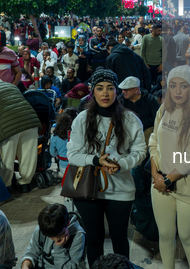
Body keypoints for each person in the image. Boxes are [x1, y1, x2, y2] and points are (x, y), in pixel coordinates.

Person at [66, 69, 146, 267]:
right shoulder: (82, 119)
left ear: (116, 92)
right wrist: (96, 160)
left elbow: (140, 151)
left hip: (121, 188)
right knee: (94, 238)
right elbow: (72, 155)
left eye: (110, 88)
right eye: (100, 88)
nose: (105, 93)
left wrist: (121, 164)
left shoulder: (130, 119)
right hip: (87, 188)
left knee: (120, 238)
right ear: (93, 91)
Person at [149, 65, 190, 269]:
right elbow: (154, 142)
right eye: (173, 86)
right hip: (160, 183)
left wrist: (167, 180)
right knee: (166, 235)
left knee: (187, 237)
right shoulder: (163, 109)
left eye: (183, 86)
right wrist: (155, 175)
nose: (177, 91)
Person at [0, 77, 41, 191]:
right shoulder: (12, 87)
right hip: (30, 123)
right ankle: (25, 184)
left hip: (8, 128)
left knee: (7, 159)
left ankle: (5, 187)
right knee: (28, 156)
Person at [21, 204, 86, 269]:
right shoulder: (42, 230)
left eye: (60, 234)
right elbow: (32, 251)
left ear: (68, 223)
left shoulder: (78, 236)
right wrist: (25, 265)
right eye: (51, 236)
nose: (56, 239)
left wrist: (58, 249)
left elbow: (71, 267)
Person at [117, 76, 160, 144]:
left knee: (149, 132)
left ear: (136, 90)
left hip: (146, 129)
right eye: (122, 89)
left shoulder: (150, 100)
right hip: (127, 129)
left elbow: (157, 119)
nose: (123, 92)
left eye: (126, 90)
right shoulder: (120, 100)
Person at [49, 108, 78, 174]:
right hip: (77, 164)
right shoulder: (76, 134)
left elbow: (53, 153)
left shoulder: (54, 136)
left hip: (63, 166)